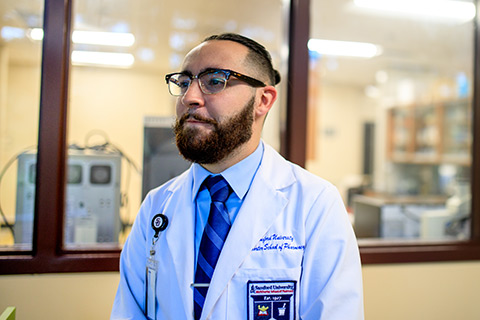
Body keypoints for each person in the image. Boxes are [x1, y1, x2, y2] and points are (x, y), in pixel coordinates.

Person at [111, 33, 364, 320]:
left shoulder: (316, 204)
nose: (189, 97)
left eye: (215, 81)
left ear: (263, 100)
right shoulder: (156, 207)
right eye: (184, 83)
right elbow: (128, 313)